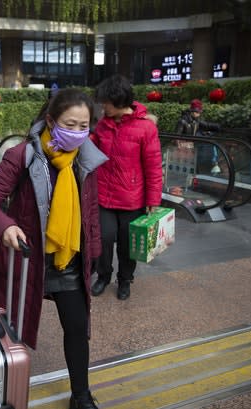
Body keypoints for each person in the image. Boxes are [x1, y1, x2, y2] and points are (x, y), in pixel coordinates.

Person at [0, 88, 113, 409]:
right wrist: (5, 225)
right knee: (5, 335)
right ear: (50, 120)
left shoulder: (85, 157)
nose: (77, 133)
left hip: (68, 262)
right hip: (24, 261)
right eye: (70, 124)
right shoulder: (22, 155)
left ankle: (81, 398)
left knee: (78, 330)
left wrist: (93, 254)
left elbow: (89, 212)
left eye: (84, 126)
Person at [90, 75, 163, 301]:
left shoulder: (145, 128)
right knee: (103, 238)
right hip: (103, 196)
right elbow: (89, 149)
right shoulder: (102, 125)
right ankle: (103, 276)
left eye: (106, 102)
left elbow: (153, 167)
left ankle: (125, 280)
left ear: (118, 100)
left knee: (127, 244)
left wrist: (153, 200)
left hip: (133, 199)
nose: (102, 106)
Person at [175, 98, 221, 174]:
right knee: (187, 167)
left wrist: (219, 127)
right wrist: (180, 147)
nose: (199, 114)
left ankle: (196, 176)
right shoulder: (182, 121)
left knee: (194, 166)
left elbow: (207, 125)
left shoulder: (196, 120)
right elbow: (176, 136)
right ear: (192, 111)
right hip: (184, 146)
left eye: (199, 112)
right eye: (197, 112)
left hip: (192, 145)